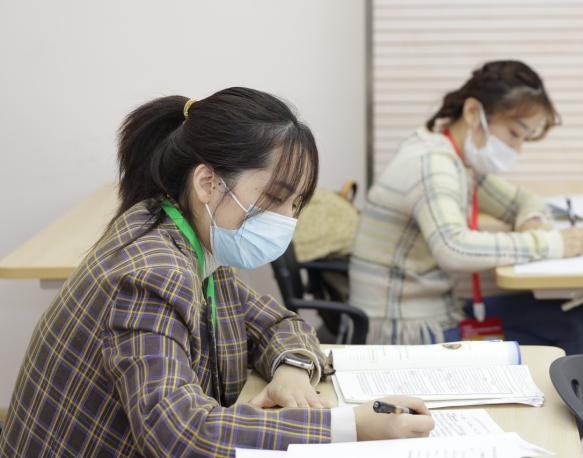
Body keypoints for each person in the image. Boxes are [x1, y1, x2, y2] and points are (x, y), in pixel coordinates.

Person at [0, 88, 434, 457]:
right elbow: (176, 430)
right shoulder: (151, 272)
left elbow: (277, 322)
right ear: (208, 182)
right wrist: (350, 428)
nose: (286, 219)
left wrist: (292, 371)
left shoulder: (194, 240)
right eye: (276, 197)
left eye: (296, 204)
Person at [350, 61, 583, 362]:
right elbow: (453, 247)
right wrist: (551, 244)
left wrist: (532, 221)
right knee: (575, 324)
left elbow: (521, 201)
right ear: (473, 113)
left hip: (433, 317)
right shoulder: (433, 163)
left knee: (580, 316)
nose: (517, 149)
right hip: (406, 336)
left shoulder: (457, 159)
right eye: (514, 133)